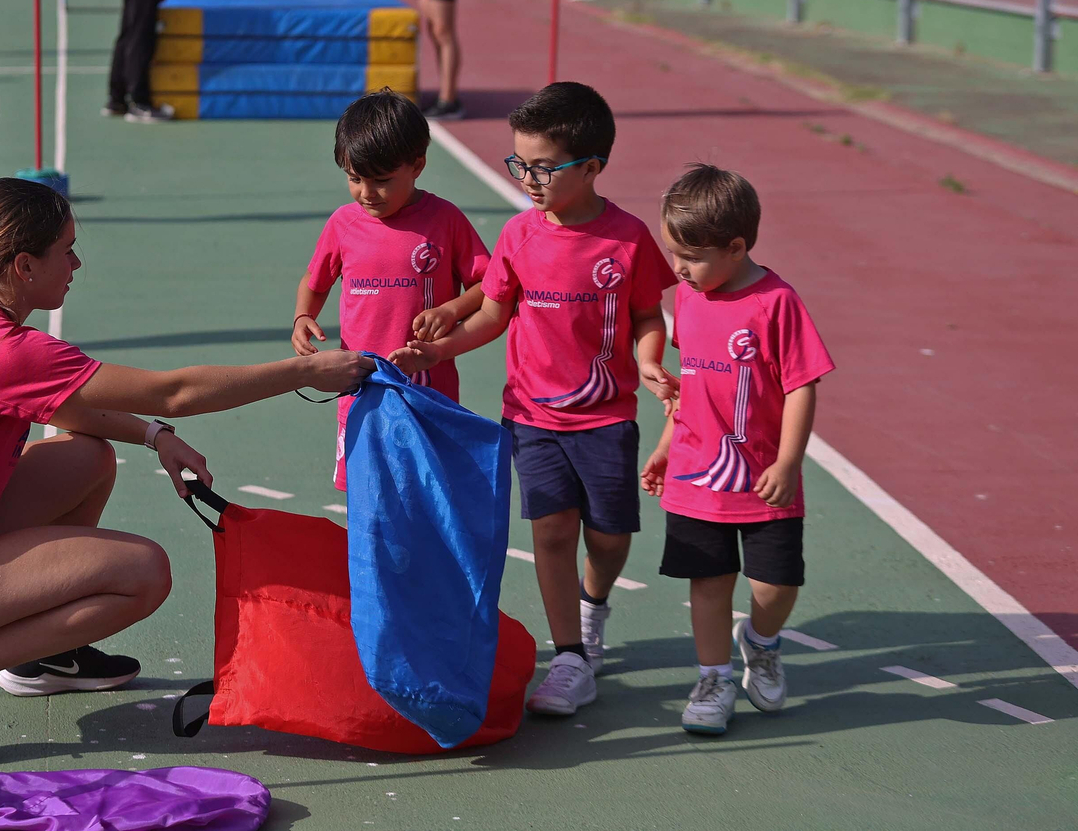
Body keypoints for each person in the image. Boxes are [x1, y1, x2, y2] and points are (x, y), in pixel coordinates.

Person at [0, 178, 374, 767]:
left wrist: (153, 436)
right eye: (65, 250)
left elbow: (74, 408)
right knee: (143, 573)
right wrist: (302, 374)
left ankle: (40, 655)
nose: (76, 262)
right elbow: (174, 391)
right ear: (23, 266)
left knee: (87, 457)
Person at [390, 82, 676, 717]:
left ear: (593, 167)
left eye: (544, 167)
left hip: (605, 417)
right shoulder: (519, 235)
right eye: (519, 164)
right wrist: (439, 352)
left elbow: (648, 317)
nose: (529, 178)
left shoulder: (627, 240)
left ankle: (593, 603)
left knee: (607, 537)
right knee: (551, 530)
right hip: (531, 415)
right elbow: (493, 314)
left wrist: (651, 360)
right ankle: (570, 655)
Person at [641, 165, 834, 735]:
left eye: (691, 257)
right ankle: (714, 676)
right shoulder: (693, 299)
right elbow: (693, 384)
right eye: (673, 252)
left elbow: (802, 384)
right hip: (697, 472)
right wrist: (664, 445)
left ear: (736, 247)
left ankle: (762, 641)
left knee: (776, 585)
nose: (678, 269)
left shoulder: (777, 303)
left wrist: (788, 461)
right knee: (708, 580)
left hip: (763, 477)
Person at [292, 89, 490, 492]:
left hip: (427, 391)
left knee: (428, 493)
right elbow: (315, 281)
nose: (367, 192)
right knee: (368, 497)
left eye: (382, 181)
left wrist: (452, 309)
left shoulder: (445, 220)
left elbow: (488, 285)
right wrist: (302, 316)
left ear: (417, 165)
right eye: (354, 179)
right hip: (361, 390)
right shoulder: (343, 224)